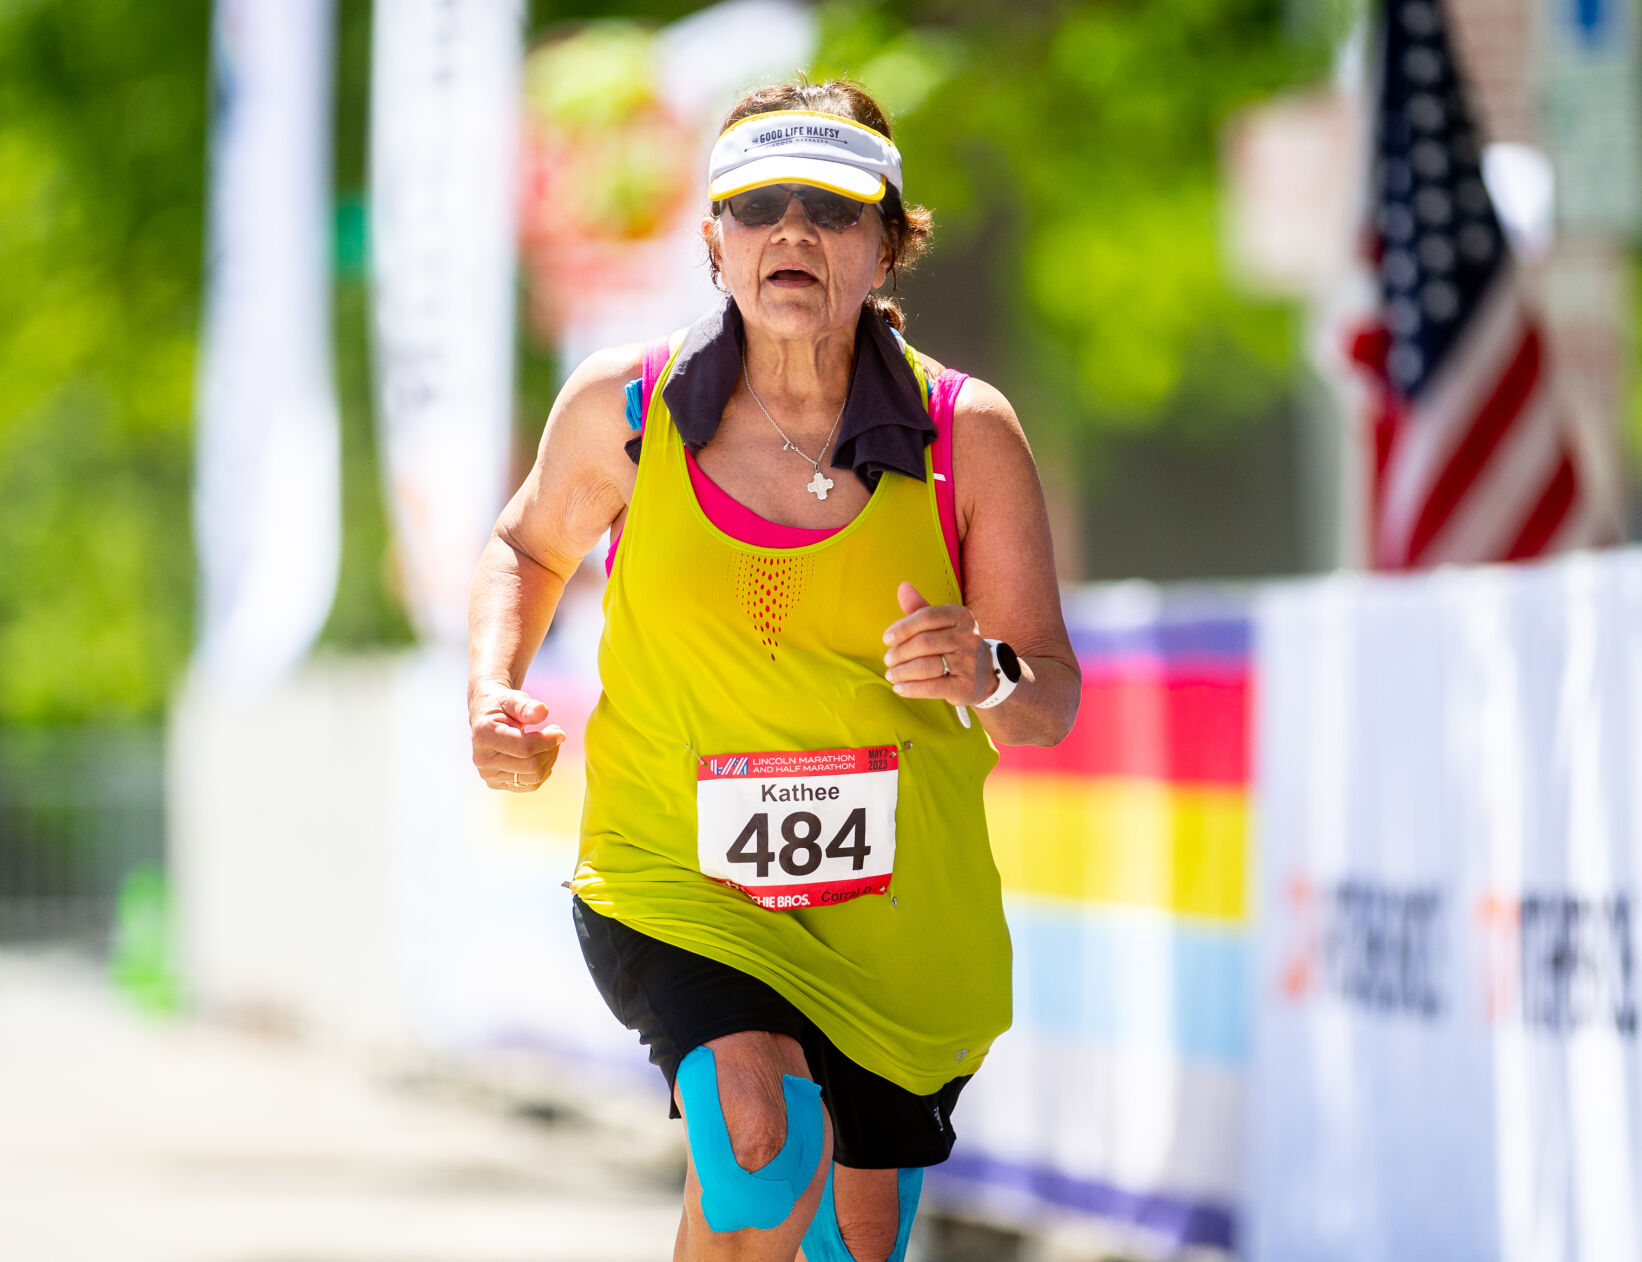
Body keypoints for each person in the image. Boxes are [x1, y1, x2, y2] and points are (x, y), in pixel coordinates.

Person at [468, 78, 1079, 1262]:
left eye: (831, 208)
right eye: (756, 207)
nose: (791, 232)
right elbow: (526, 542)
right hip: (678, 879)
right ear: (713, 241)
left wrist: (985, 667)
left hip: (895, 921)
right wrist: (496, 685)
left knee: (856, 1239)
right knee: (758, 1143)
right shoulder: (626, 408)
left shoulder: (966, 434)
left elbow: (1044, 699)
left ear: (889, 243)